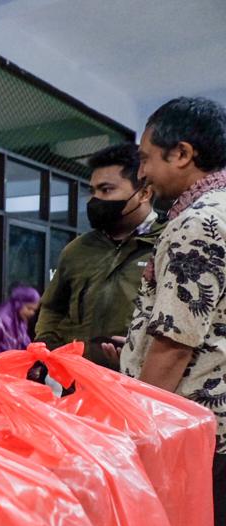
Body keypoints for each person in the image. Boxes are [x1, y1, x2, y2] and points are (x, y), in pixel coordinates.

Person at [109, 97, 226, 526]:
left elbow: (175, 343)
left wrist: (139, 438)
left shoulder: (197, 224)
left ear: (181, 154)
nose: (142, 174)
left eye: (146, 158)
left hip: (199, 430)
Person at [34, 143, 161, 368]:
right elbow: (52, 307)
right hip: (77, 380)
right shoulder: (77, 250)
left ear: (143, 193)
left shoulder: (167, 245)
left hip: (142, 385)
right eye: (92, 191)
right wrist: (48, 350)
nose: (94, 200)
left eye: (106, 190)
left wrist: (139, 353)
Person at [0, 284, 41, 359]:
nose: (32, 313)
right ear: (19, 304)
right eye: (29, 308)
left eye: (34, 310)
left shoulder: (19, 320)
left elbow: (24, 344)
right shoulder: (0, 321)